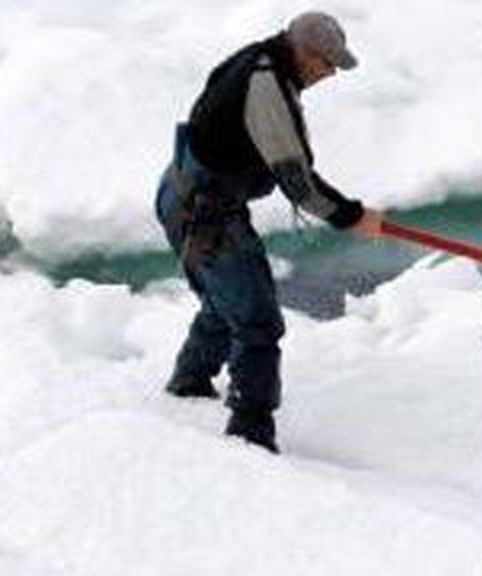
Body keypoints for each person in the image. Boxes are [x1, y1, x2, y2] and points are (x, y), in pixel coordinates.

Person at [154, 11, 382, 453]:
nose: (331, 73)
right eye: (328, 63)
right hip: (205, 213)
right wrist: (351, 216)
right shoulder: (267, 86)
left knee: (225, 304)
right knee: (258, 320)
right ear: (303, 51)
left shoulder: (262, 59)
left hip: (184, 194)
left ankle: (189, 386)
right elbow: (297, 182)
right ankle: (250, 435)